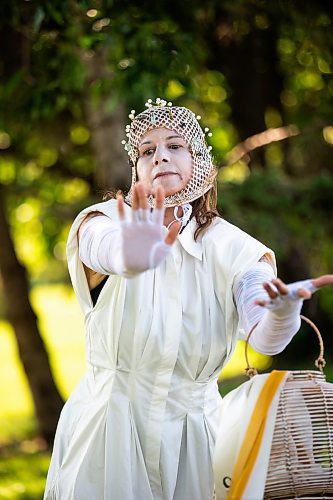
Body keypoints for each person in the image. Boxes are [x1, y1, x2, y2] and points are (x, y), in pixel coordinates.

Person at [44, 98, 332, 500]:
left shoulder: (236, 248)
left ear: (201, 163)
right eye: (147, 151)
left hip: (198, 440)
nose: (160, 156)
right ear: (136, 169)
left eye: (175, 146)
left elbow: (264, 338)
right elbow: (108, 251)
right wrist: (133, 252)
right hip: (107, 432)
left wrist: (283, 312)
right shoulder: (103, 223)